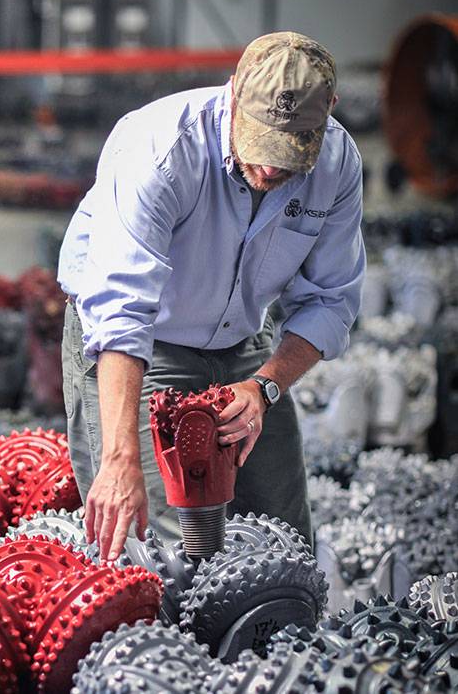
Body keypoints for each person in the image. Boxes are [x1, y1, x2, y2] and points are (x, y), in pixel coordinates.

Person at [58, 32, 365, 560]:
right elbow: (123, 311)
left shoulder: (336, 164)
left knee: (285, 542)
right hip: (139, 346)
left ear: (328, 112)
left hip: (243, 341)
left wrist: (264, 389)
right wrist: (119, 458)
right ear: (234, 91)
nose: (271, 170)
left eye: (291, 152)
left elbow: (331, 300)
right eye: (262, 144)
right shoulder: (161, 150)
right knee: (173, 554)